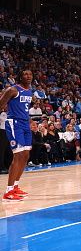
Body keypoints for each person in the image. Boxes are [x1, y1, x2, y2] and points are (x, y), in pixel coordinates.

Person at [0, 70, 33, 201]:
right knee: (18, 155)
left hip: (25, 123)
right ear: (20, 76)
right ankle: (8, 192)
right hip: (14, 123)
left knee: (26, 155)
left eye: (30, 74)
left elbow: (23, 108)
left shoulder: (29, 91)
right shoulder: (13, 90)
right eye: (25, 74)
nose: (28, 76)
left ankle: (15, 186)